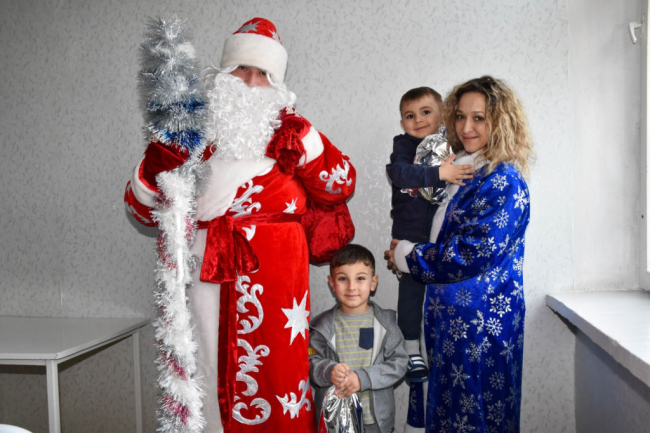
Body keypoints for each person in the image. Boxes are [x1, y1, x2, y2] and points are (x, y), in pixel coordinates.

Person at [125, 17, 356, 433]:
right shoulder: (192, 136)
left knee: (278, 371)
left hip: (278, 282)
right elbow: (141, 210)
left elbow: (341, 183)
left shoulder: (292, 134)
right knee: (209, 363)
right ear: (222, 74)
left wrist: (305, 143)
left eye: (263, 73)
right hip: (207, 274)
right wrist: (158, 167)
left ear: (277, 83)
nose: (250, 82)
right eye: (241, 69)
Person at [385, 76, 533, 432]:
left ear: (500, 121)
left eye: (479, 118)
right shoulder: (464, 167)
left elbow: (469, 254)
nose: (467, 128)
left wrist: (407, 255)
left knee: (472, 417)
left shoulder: (503, 180)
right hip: (448, 321)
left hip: (478, 326)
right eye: (461, 116)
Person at [386, 87, 474, 381]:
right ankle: (410, 348)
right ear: (402, 123)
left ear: (442, 115)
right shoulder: (404, 145)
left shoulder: (454, 144)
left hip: (441, 231)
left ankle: (439, 347)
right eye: (410, 116)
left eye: (426, 112)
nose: (418, 120)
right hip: (410, 230)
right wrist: (438, 174)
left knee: (442, 290)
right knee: (411, 291)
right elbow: (399, 174)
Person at [309, 244, 408, 433]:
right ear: (332, 283)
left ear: (373, 282)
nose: (351, 287)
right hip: (334, 421)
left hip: (375, 423)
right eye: (342, 279)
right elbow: (310, 362)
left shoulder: (387, 323)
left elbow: (400, 363)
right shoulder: (320, 327)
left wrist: (363, 378)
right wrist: (328, 371)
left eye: (360, 278)